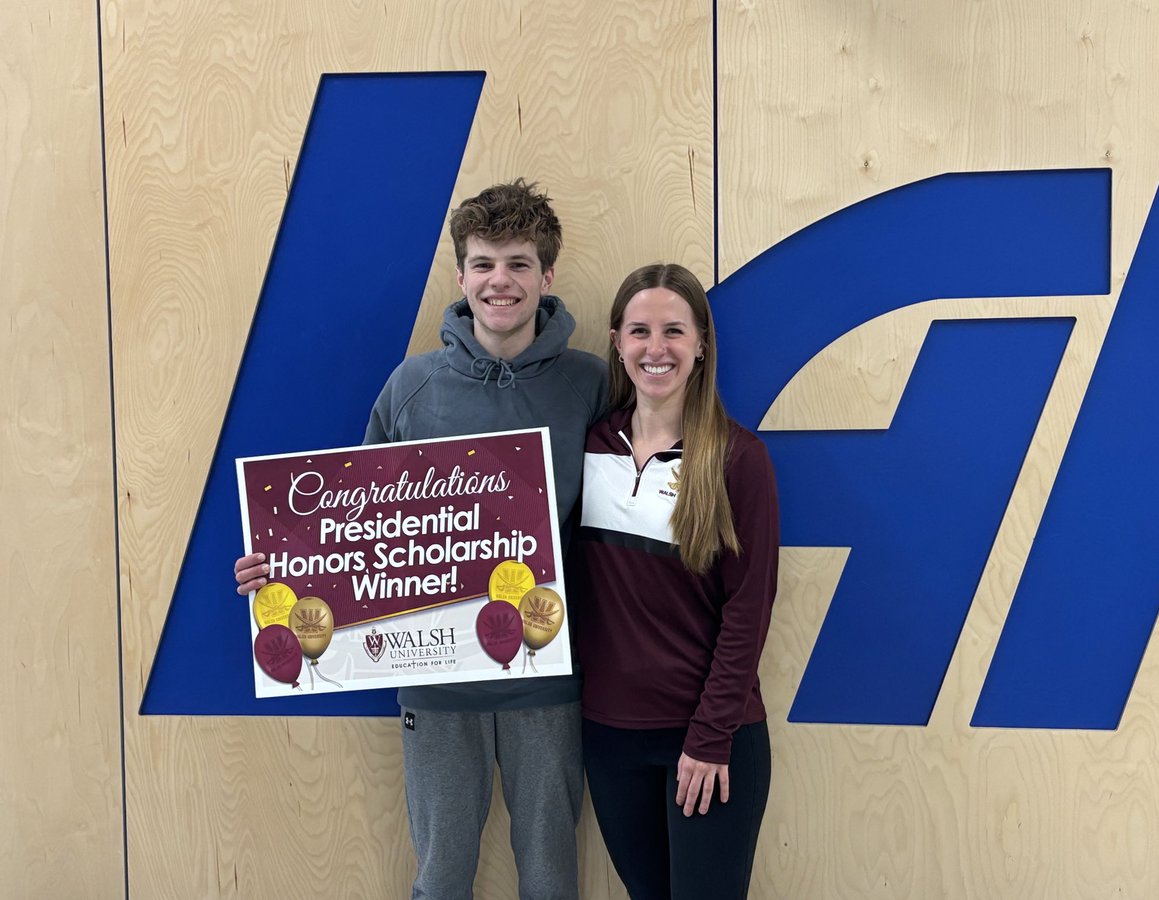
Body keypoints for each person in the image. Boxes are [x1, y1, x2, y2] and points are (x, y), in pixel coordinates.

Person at [235, 179, 607, 900]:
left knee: (551, 873)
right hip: (435, 681)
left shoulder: (590, 384)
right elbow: (352, 536)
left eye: (519, 263)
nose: (500, 280)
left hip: (549, 676)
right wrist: (278, 572)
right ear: (461, 276)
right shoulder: (411, 386)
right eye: (484, 263)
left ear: (547, 276)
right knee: (440, 876)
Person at [574, 263, 779, 900]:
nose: (655, 348)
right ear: (617, 342)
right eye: (640, 330)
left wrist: (710, 738)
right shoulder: (586, 449)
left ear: (701, 345)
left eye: (673, 331)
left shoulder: (738, 459)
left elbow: (748, 611)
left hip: (709, 738)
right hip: (610, 737)